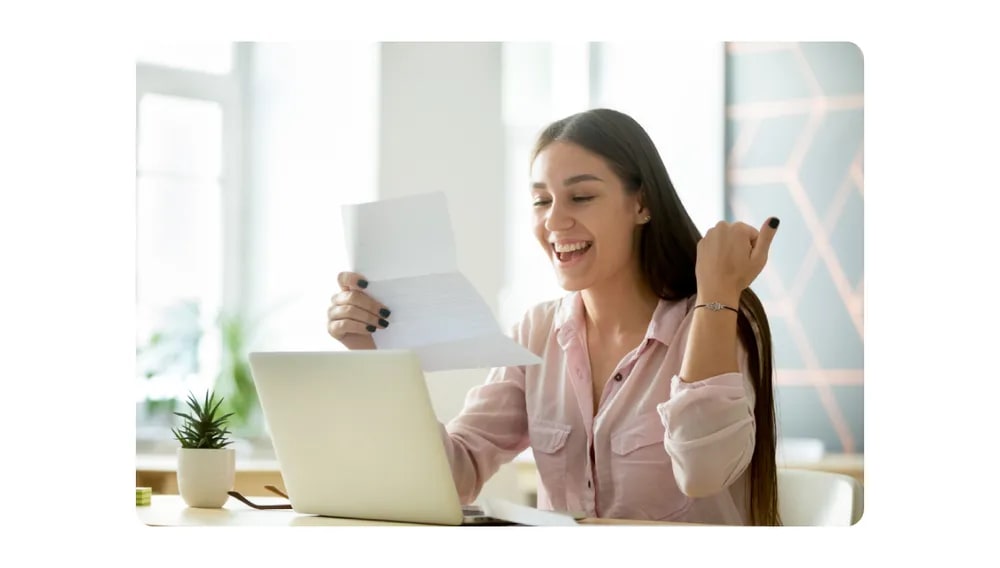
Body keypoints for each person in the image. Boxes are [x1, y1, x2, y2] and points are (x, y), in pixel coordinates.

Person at [326, 108, 781, 526]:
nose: (554, 222)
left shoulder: (713, 321)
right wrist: (373, 357)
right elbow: (453, 476)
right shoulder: (538, 332)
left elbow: (703, 472)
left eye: (581, 197)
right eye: (542, 201)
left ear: (641, 204)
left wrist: (718, 293)